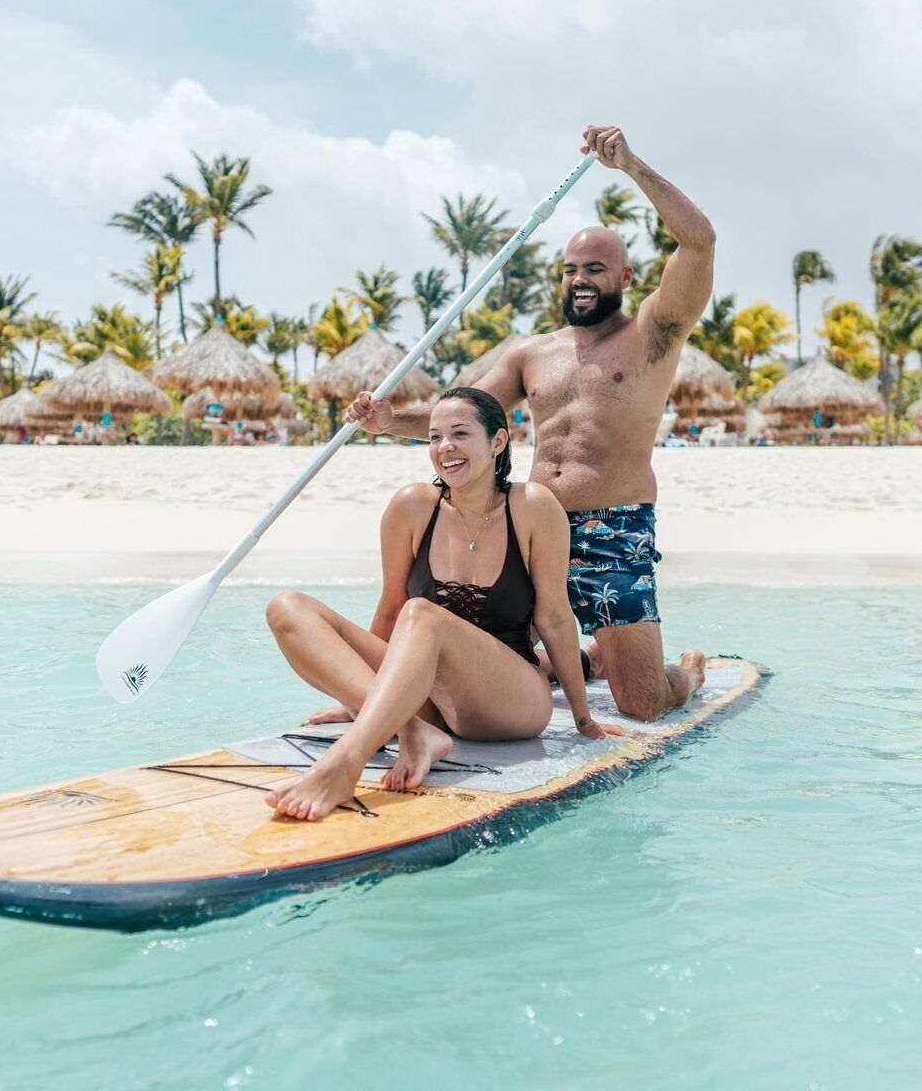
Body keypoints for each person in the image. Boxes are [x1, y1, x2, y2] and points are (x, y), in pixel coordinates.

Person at [347, 124, 711, 721]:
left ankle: (687, 674)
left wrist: (633, 167)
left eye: (595, 268)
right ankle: (583, 659)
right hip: (526, 524)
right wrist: (388, 419)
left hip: (613, 529)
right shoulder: (532, 353)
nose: (579, 279)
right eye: (569, 270)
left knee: (644, 705)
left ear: (625, 278)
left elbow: (699, 243)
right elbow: (459, 418)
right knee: (477, 668)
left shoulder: (653, 335)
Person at [263, 387, 622, 821]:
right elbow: (389, 610)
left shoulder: (532, 507)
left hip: (509, 700)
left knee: (422, 615)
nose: (444, 447)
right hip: (429, 699)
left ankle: (344, 762)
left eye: (459, 433)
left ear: (497, 441)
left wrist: (584, 721)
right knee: (288, 608)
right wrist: (364, 698)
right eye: (434, 437)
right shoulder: (412, 506)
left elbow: (556, 619)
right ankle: (411, 729)